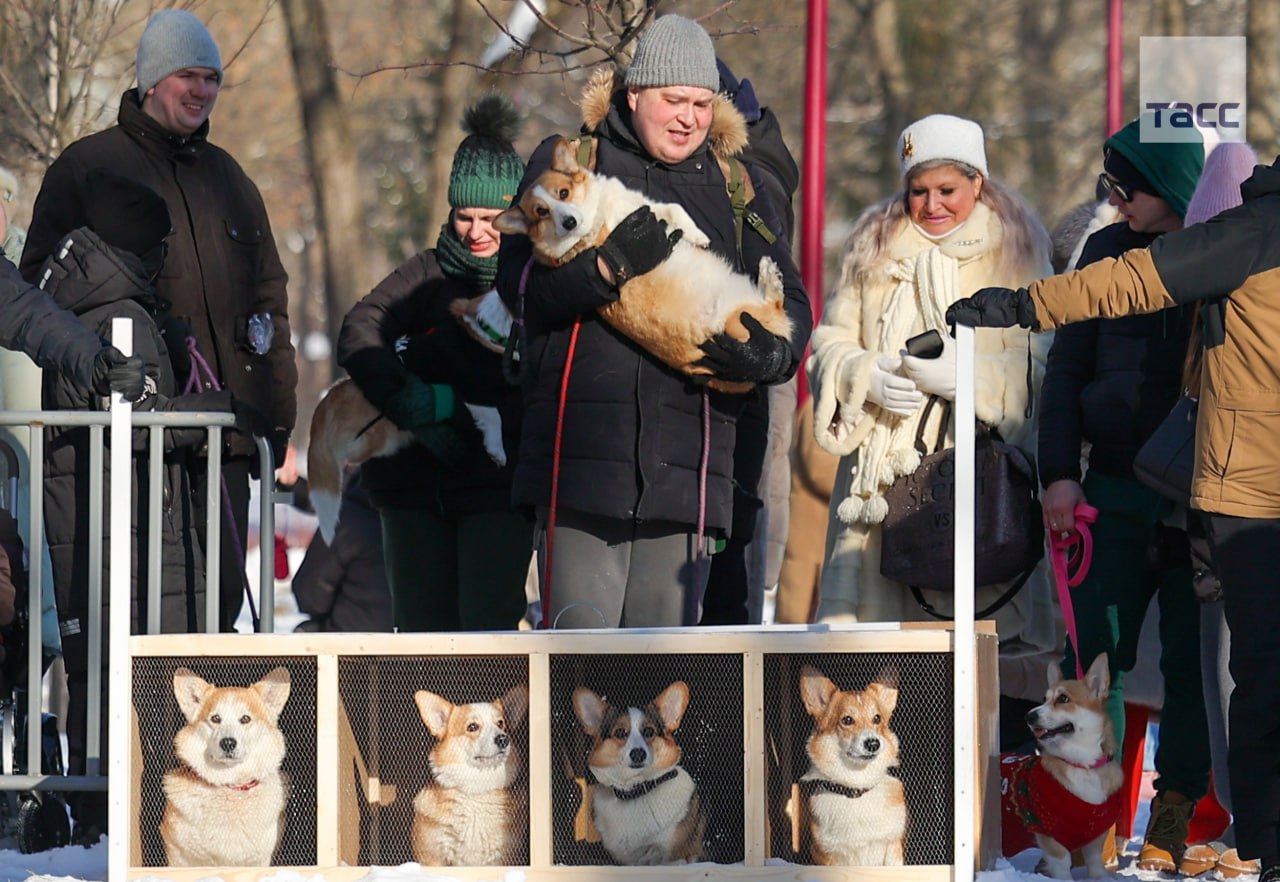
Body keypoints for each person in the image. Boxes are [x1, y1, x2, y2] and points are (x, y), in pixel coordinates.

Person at [947, 145, 1280, 882]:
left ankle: (1208, 823)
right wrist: (1023, 307)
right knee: (1225, 671)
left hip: (1227, 491)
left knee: (1230, 673)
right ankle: (1251, 841)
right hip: (1230, 494)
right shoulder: (1252, 231)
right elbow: (1124, 289)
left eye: (1129, 188)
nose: (1120, 199)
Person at [494, 14, 811, 629]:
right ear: (634, 94)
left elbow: (790, 297)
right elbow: (519, 287)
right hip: (580, 470)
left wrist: (774, 357)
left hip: (687, 479)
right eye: (673, 100)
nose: (688, 117)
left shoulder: (736, 186)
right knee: (580, 680)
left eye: (699, 103)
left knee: (657, 689)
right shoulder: (571, 164)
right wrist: (605, 270)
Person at [21, 8, 297, 633]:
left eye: (213, 79)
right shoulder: (86, 167)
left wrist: (275, 419)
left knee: (214, 614)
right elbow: (40, 286)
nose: (202, 91)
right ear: (151, 80)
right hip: (123, 441)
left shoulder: (230, 178)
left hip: (223, 439)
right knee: (133, 619)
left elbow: (268, 302)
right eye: (188, 77)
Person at [37, 169, 265, 845]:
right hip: (132, 536)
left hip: (112, 528)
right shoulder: (120, 319)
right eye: (162, 244)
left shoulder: (91, 308)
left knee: (107, 676)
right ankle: (125, 822)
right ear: (142, 247)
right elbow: (139, 419)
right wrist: (224, 415)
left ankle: (107, 817)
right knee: (140, 678)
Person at [1035, 115, 1208, 873]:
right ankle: (1084, 821)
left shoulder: (1218, 255)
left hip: (1197, 495)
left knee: (1191, 668)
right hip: (1108, 487)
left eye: (1126, 187)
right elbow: (1065, 372)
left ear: (1167, 187)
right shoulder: (1103, 250)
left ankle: (1172, 824)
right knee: (1093, 666)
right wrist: (1058, 475)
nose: (1114, 199)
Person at [337, 93, 531, 632]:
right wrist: (406, 399)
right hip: (410, 490)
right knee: (421, 638)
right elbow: (358, 330)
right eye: (465, 216)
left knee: (487, 633)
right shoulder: (422, 274)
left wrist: (453, 405)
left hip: (496, 490)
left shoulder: (533, 285)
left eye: (492, 217)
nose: (477, 231)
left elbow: (524, 383)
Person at [1174, 140, 1260, 878]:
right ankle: (1242, 823)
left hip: (1241, 520)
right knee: (1218, 678)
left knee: (1239, 677)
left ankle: (1251, 827)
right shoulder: (1202, 308)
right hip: (1212, 526)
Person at [699, 57, 802, 626]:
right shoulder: (764, 153)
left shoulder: (750, 169)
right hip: (726, 363)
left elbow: (773, 275)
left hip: (743, 362)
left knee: (740, 518)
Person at [292, 468, 393, 633]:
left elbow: (310, 597)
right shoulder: (427, 517)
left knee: (306, 632)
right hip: (424, 642)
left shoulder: (346, 519)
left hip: (352, 642)